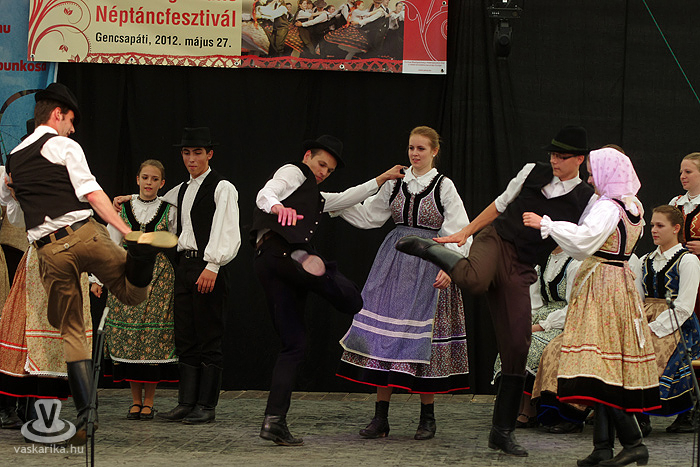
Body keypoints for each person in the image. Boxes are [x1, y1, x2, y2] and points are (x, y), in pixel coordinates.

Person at [395, 125, 595, 456]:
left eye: (561, 156)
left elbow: (584, 238)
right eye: (552, 154)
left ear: (579, 160)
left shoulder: (586, 199)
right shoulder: (532, 171)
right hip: (496, 240)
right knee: (475, 280)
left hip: (522, 265)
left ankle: (502, 431)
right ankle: (429, 249)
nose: (554, 161)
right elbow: (500, 205)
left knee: (517, 344)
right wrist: (466, 232)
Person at [1, 82, 177, 445]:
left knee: (72, 334)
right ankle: (141, 252)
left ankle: (86, 415)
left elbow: (16, 216)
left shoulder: (13, 161)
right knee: (133, 295)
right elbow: (92, 193)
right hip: (83, 235)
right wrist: (128, 231)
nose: (72, 129)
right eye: (71, 121)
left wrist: (16, 190)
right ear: (58, 115)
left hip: (49, 252)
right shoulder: (64, 146)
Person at [252, 134, 404, 446]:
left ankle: (274, 421)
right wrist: (277, 206)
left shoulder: (317, 198)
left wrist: (381, 179)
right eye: (321, 164)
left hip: (268, 263)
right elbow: (266, 192)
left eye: (329, 170)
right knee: (350, 297)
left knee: (294, 344)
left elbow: (346, 197)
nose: (322, 172)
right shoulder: (293, 172)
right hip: (285, 254)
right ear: (308, 155)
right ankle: (316, 268)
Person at [521, 147, 659, 467]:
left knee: (600, 369)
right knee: (603, 369)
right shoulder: (632, 205)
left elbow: (585, 240)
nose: (591, 179)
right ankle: (602, 447)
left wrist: (547, 224)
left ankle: (633, 442)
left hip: (602, 288)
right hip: (618, 285)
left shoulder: (608, 207)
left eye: (595, 173)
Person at [334, 126, 470, 441]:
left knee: (422, 341)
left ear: (434, 151)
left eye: (421, 148)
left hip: (429, 263)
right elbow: (370, 216)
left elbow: (460, 229)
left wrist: (451, 267)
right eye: (411, 148)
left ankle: (427, 418)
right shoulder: (396, 182)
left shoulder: (443, 185)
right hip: (393, 265)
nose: (414, 153)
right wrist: (332, 204)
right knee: (385, 340)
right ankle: (380, 417)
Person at [138, 127, 240, 425]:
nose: (191, 159)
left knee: (209, 336)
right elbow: (153, 202)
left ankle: (206, 405)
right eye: (186, 153)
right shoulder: (180, 190)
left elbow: (227, 228)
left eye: (197, 153)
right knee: (185, 336)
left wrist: (213, 265)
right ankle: (186, 402)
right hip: (183, 267)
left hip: (207, 266)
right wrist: (126, 198)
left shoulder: (222, 187)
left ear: (209, 154)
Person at [95, 160, 178, 421]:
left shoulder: (169, 209)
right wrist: (98, 279)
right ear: (137, 179)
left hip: (158, 277)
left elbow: (177, 237)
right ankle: (134, 400)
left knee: (151, 339)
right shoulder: (122, 209)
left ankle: (149, 401)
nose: (149, 183)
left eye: (154, 179)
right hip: (127, 273)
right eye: (145, 177)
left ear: (162, 183)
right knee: (129, 337)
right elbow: (109, 242)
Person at [493, 246, 581, 431]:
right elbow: (533, 302)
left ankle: (529, 410)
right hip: (542, 318)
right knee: (514, 344)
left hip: (565, 322)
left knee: (531, 347)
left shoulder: (575, 263)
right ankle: (518, 406)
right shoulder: (544, 262)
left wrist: (542, 326)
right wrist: (523, 324)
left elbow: (574, 307)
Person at [632, 205, 700, 433]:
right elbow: (637, 299)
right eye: (652, 225)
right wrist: (639, 325)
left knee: (650, 349)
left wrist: (655, 328)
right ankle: (636, 412)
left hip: (678, 325)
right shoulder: (645, 260)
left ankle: (666, 410)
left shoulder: (688, 261)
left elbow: (685, 306)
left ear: (676, 228)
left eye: (660, 225)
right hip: (647, 318)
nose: (653, 230)